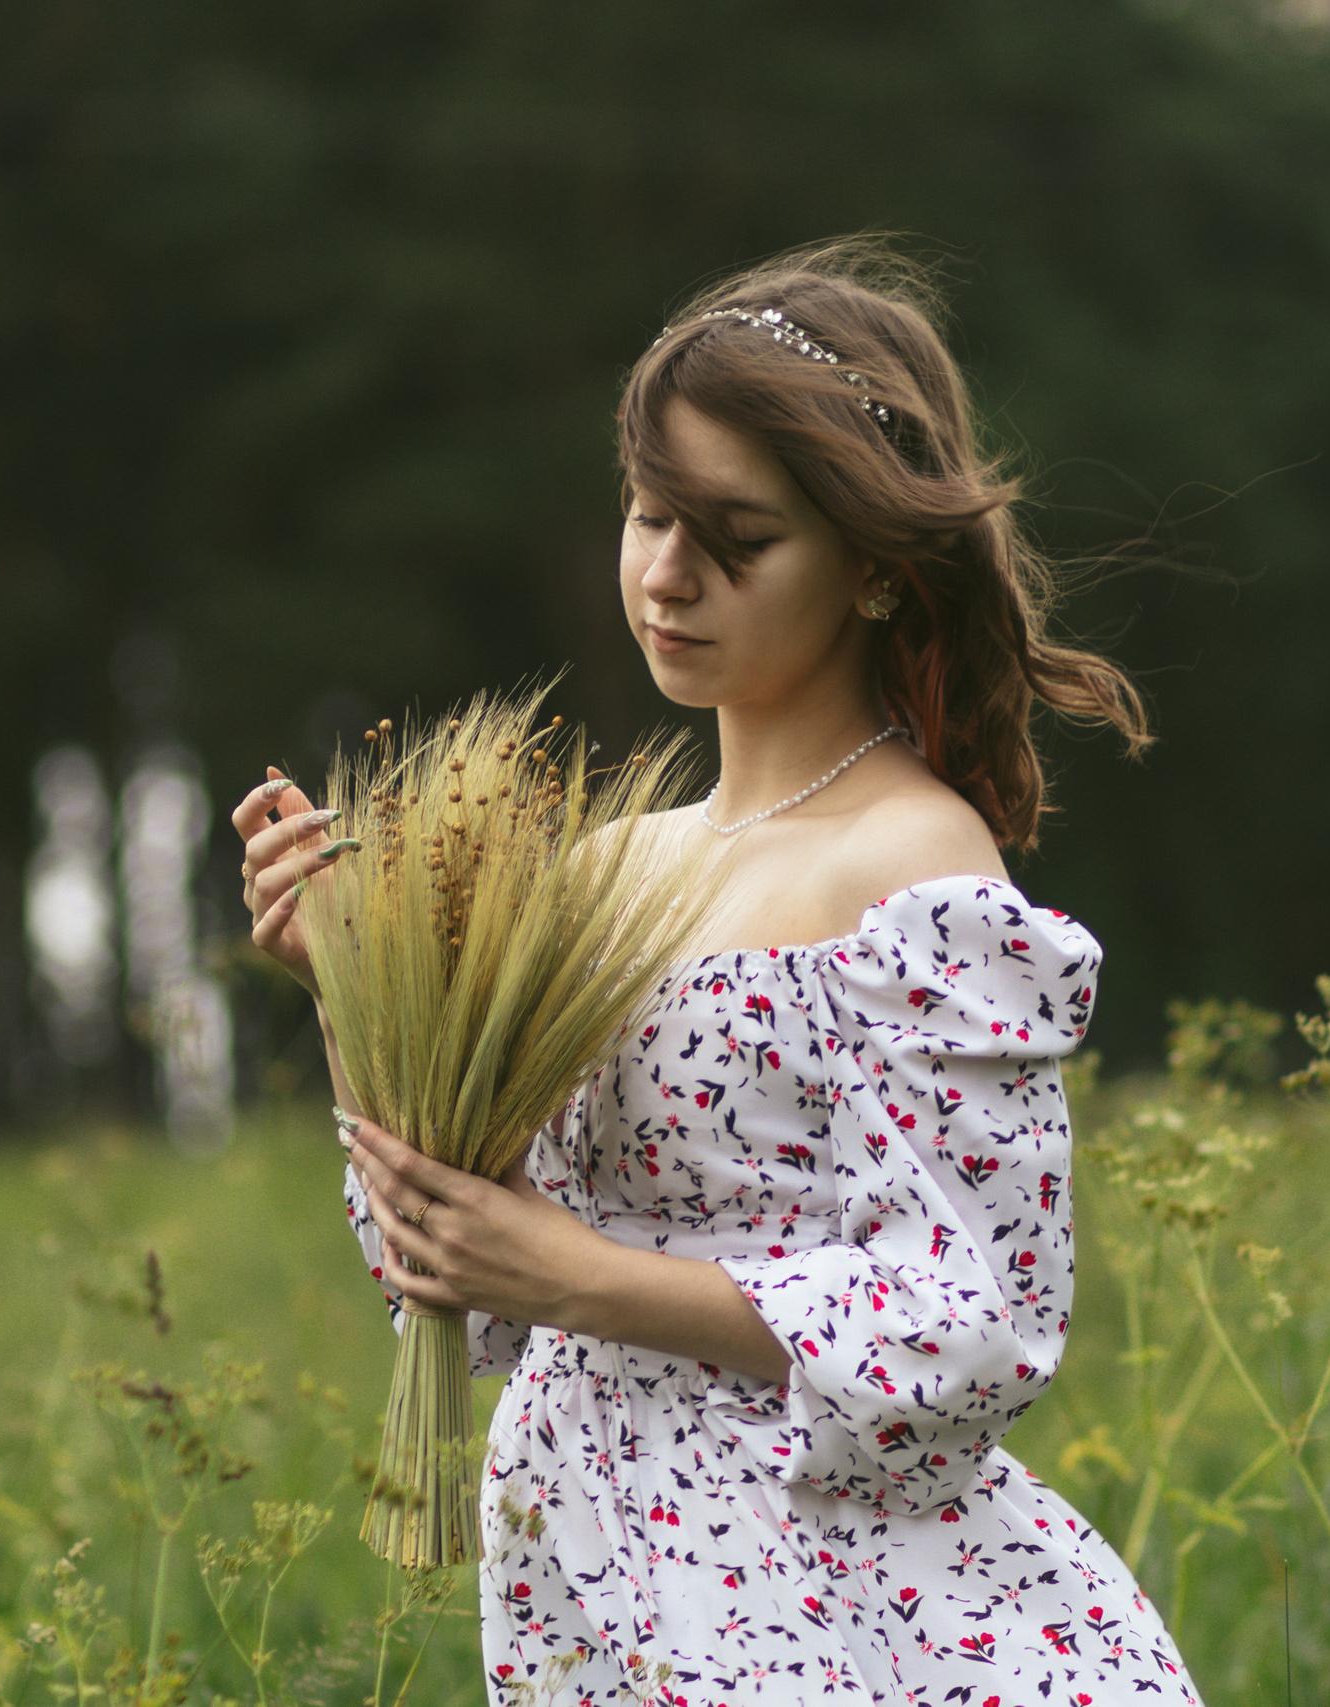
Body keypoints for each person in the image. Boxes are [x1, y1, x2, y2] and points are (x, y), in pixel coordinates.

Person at [233, 241, 1198, 1706]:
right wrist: (357, 1002)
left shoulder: (913, 871)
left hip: (833, 1605)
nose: (667, 575)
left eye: (735, 538)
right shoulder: (606, 872)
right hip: (589, 1574)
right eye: (646, 516)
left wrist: (597, 1283)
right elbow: (459, 1280)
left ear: (877, 567)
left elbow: (982, 1314)